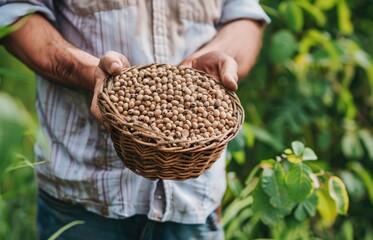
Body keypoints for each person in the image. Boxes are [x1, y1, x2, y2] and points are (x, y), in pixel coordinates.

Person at [0, 1, 269, 239]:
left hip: (194, 200)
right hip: (83, 195)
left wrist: (219, 55)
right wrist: (84, 70)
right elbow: (15, 12)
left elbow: (244, 16)